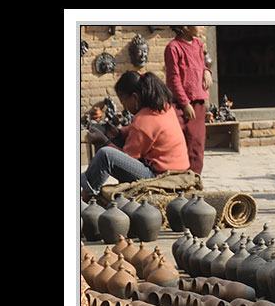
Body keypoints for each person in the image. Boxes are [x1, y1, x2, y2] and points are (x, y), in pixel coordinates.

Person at [82, 71, 190, 200]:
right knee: (115, 143)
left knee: (106, 155)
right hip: (175, 168)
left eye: (124, 102)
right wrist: (119, 132)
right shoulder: (164, 107)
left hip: (159, 175)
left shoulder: (143, 121)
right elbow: (143, 131)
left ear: (135, 97)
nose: (125, 107)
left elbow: (128, 156)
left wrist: (105, 141)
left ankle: (86, 194)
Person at [164, 25, 213, 175]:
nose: (202, 26)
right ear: (184, 26)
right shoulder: (173, 48)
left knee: (197, 145)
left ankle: (195, 180)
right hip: (179, 104)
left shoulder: (198, 44)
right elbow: (173, 78)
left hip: (198, 102)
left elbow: (201, 63)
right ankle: (178, 180)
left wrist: (206, 71)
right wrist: (185, 103)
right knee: (178, 144)